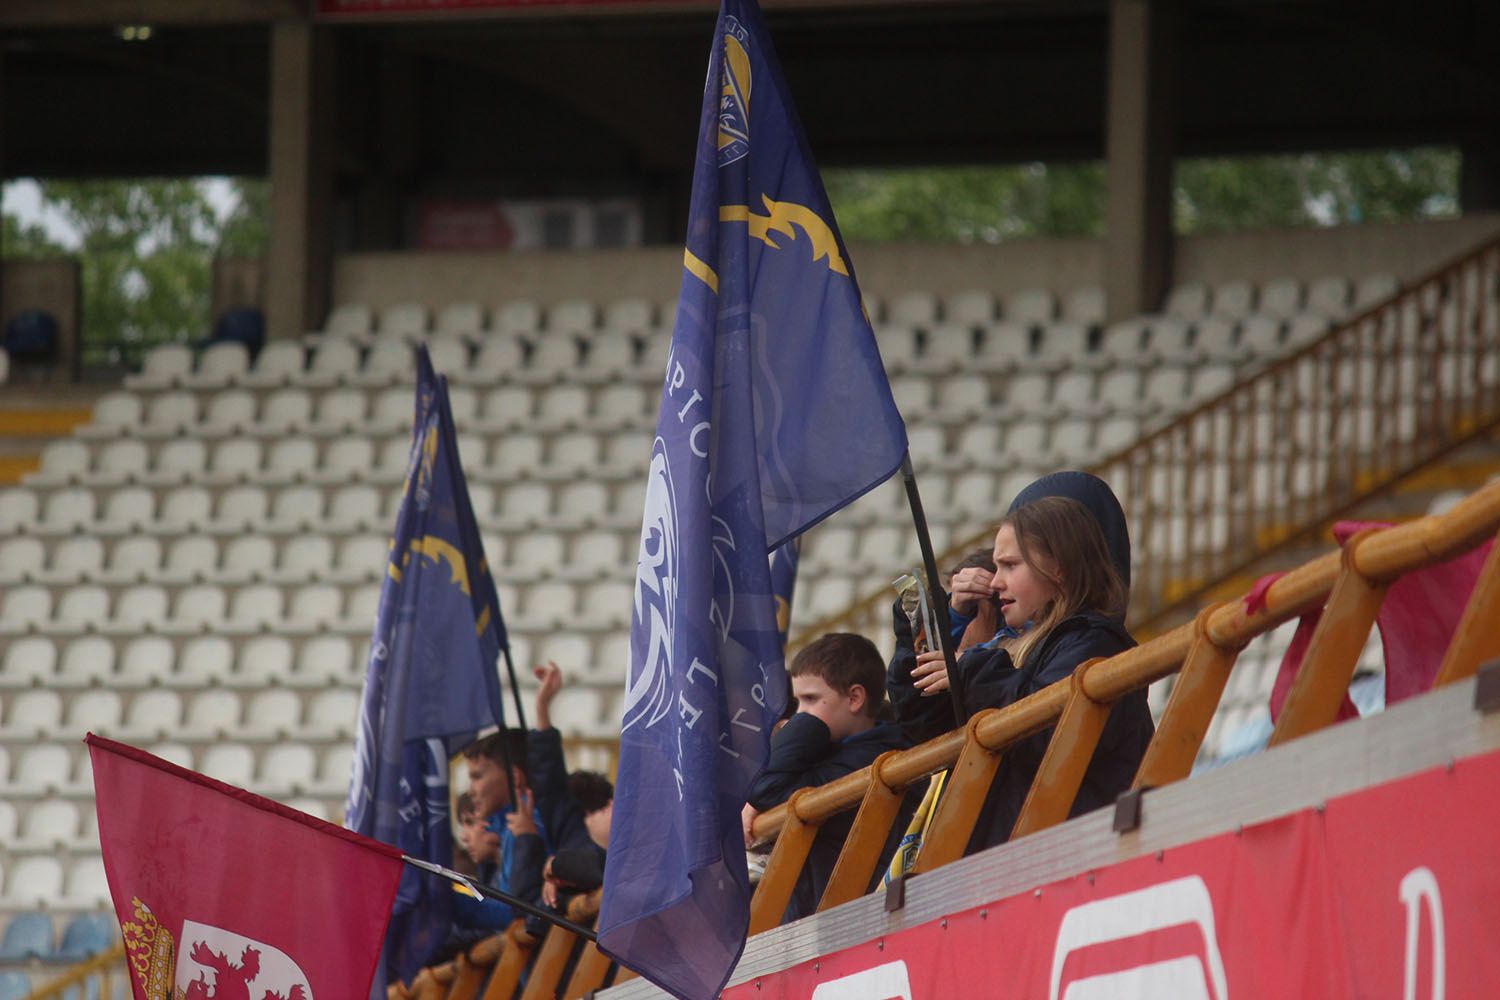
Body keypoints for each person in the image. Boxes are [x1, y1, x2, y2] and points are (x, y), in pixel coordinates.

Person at [888, 479, 1153, 855]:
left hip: (1073, 860)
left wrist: (971, 670)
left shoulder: (1094, 643)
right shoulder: (1009, 648)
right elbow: (918, 721)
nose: (995, 583)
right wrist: (947, 622)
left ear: (1058, 568)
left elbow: (1048, 739)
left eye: (1010, 565)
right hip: (1012, 862)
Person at [743, 633, 917, 921]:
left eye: (810, 699)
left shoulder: (872, 756)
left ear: (855, 698)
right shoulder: (832, 754)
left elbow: (767, 790)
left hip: (854, 919)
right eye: (797, 702)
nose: (800, 713)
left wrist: (800, 729)